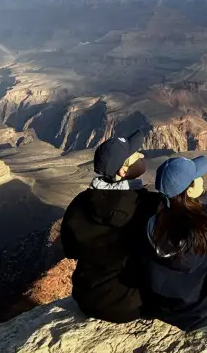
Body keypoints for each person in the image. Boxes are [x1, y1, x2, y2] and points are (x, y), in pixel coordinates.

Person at [142, 155, 207, 332]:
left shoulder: (151, 225)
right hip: (206, 317)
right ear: (190, 190)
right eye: (197, 176)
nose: (202, 178)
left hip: (168, 311)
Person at [61, 130, 149, 323]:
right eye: (135, 155)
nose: (142, 156)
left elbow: (70, 250)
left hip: (86, 298)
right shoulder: (146, 205)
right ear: (123, 171)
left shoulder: (80, 203)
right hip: (130, 304)